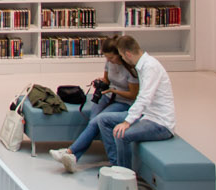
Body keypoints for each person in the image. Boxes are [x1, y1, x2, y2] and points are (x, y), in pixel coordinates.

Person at [52, 34, 173, 175]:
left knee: (121, 134)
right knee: (102, 119)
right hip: (145, 116)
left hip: (159, 122)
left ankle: (125, 174)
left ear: (127, 53)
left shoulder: (150, 67)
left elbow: (144, 97)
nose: (122, 59)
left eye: (121, 55)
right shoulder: (143, 66)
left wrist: (127, 122)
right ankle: (115, 165)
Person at [49, 37, 138, 170]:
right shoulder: (109, 63)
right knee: (93, 121)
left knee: (95, 122)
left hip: (123, 101)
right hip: (107, 95)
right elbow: (107, 80)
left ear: (119, 55)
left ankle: (70, 152)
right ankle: (73, 157)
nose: (109, 61)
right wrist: (101, 82)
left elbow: (133, 94)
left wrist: (115, 90)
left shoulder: (131, 70)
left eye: (111, 58)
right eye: (106, 58)